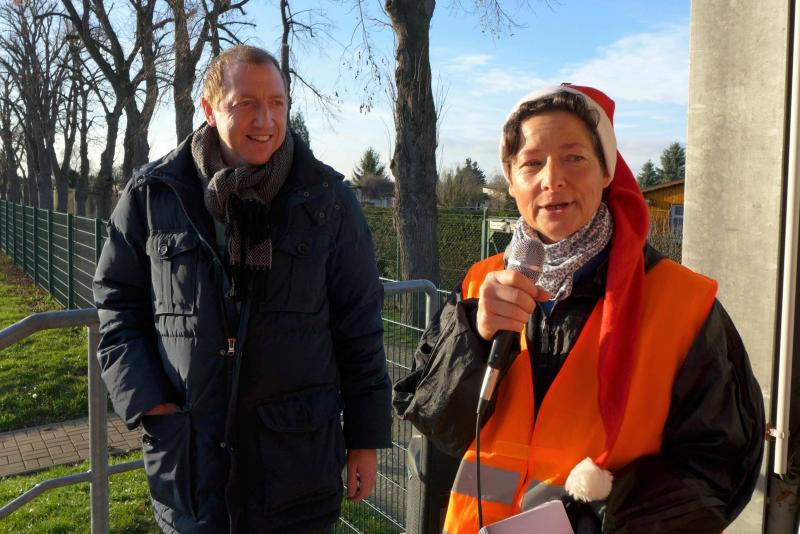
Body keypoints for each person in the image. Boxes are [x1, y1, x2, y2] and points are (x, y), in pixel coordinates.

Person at [393, 84, 764, 533]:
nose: (552, 179)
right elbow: (437, 423)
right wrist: (473, 334)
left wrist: (602, 518)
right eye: (531, 163)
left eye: (574, 157)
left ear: (606, 171)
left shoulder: (683, 302)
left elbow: (721, 467)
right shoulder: (479, 285)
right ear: (511, 180)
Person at [92, 45, 392, 533]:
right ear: (210, 109)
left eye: (277, 103)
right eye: (246, 103)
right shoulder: (153, 194)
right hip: (192, 464)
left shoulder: (329, 202)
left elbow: (359, 324)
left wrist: (365, 438)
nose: (265, 120)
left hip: (297, 466)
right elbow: (117, 303)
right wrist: (148, 402)